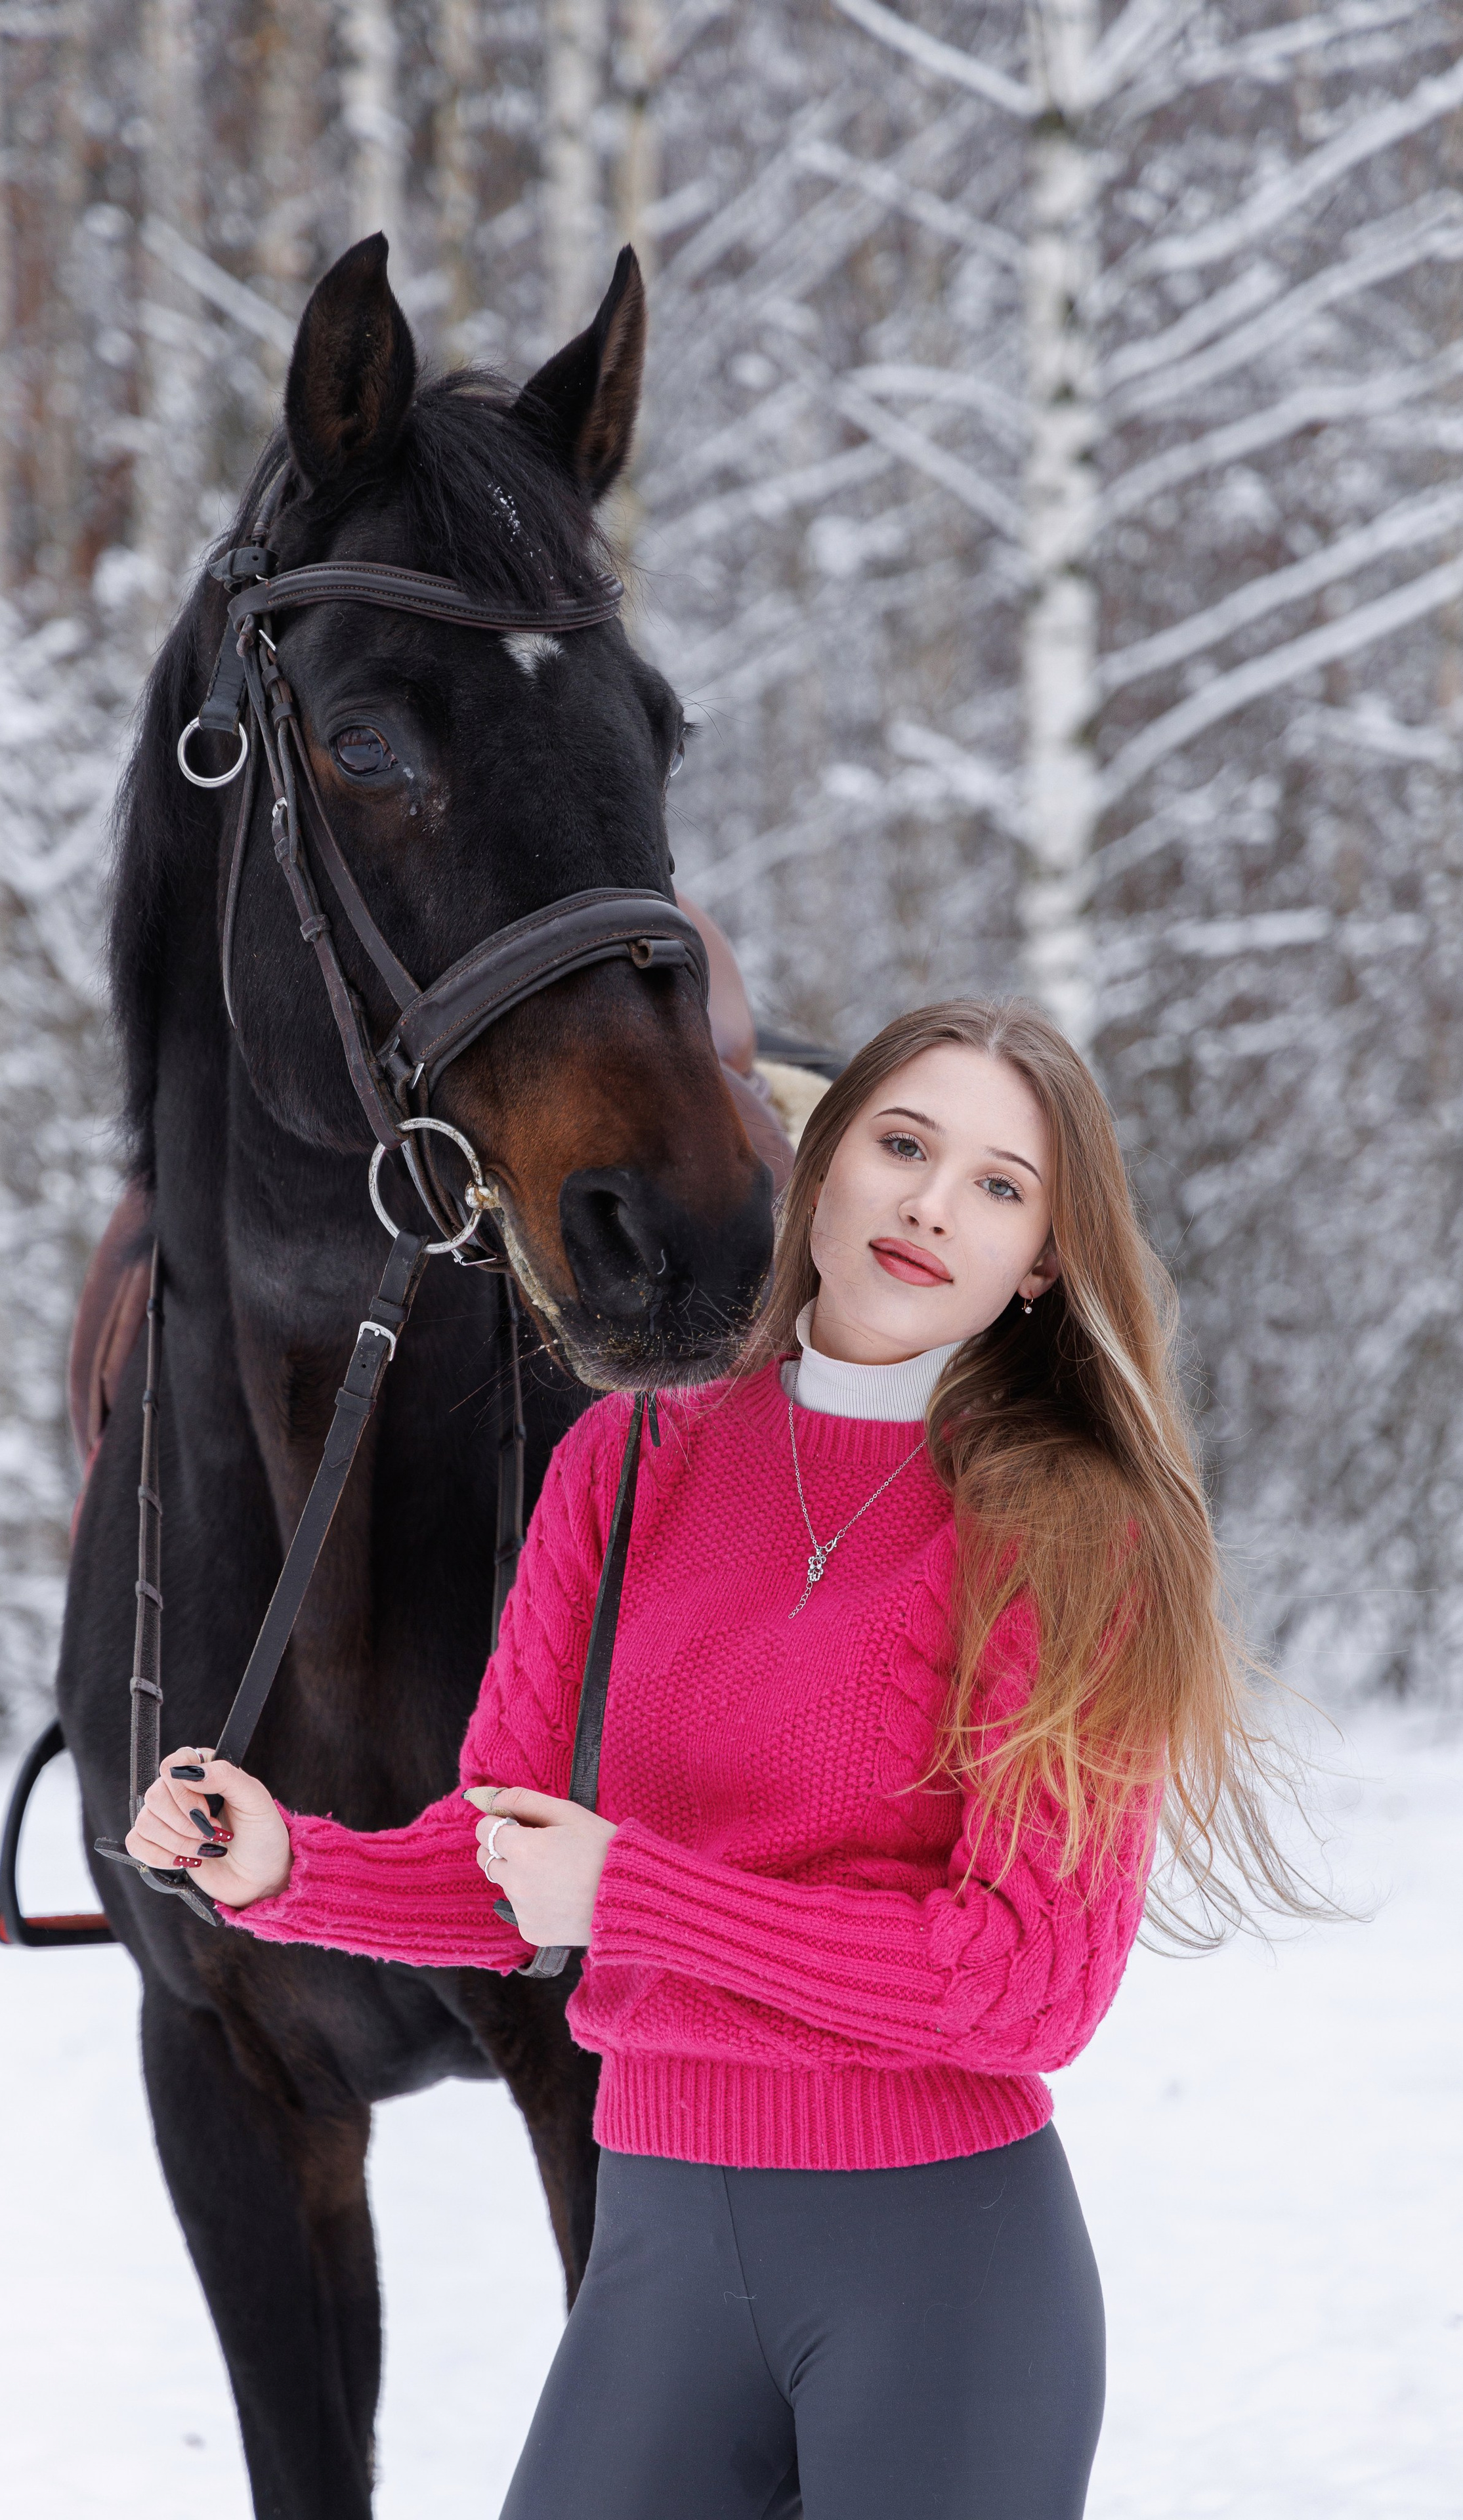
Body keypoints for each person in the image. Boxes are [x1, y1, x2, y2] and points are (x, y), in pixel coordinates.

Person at [126, 998, 1308, 2520]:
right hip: (660, 2258)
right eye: (900, 1144)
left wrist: (633, 1895)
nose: (930, 1204)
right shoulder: (625, 1463)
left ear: (1044, 1264)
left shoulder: (1073, 1535)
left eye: (1000, 1187)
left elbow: (1025, 1982)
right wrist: (292, 1865)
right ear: (821, 1170)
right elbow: (511, 1868)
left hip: (939, 2284)